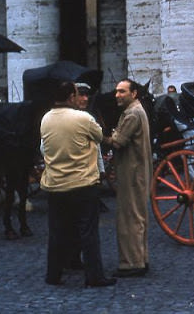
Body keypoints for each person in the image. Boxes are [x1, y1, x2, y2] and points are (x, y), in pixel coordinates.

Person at [40, 81, 116, 287]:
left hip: (55, 184)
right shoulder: (83, 118)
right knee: (88, 232)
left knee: (56, 232)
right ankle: (94, 276)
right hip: (82, 184)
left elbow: (44, 148)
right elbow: (100, 136)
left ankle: (53, 275)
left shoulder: (46, 119)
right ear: (71, 97)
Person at [102, 79, 152, 278]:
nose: (117, 95)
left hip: (132, 172)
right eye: (116, 92)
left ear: (134, 94)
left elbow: (118, 142)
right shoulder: (137, 110)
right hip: (137, 171)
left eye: (122, 92)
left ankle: (132, 263)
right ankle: (141, 259)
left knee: (129, 218)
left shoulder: (132, 113)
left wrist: (97, 133)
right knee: (138, 216)